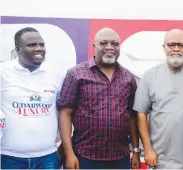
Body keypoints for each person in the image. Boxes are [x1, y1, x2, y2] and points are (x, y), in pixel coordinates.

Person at [57, 27, 140, 169]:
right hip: (84, 156)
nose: (110, 47)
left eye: (114, 43)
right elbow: (65, 113)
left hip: (120, 157)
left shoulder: (128, 78)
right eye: (103, 43)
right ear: (94, 46)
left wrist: (136, 151)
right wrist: (69, 153)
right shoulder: (76, 74)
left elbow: (132, 116)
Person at [133, 29, 183, 169]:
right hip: (158, 156)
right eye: (171, 45)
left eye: (181, 45)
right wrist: (147, 148)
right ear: (164, 47)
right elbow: (141, 114)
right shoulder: (150, 76)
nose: (176, 49)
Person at [0, 27, 63, 169]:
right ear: (18, 50)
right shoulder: (3, 72)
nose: (39, 48)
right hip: (8, 158)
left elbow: (64, 112)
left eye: (41, 44)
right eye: (31, 45)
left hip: (48, 158)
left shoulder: (57, 74)